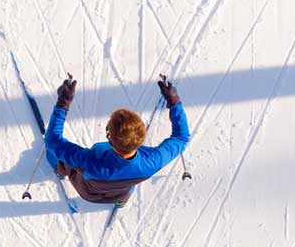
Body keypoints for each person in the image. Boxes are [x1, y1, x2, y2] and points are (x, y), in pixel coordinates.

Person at [44, 77, 190, 206]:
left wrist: (63, 103)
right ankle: (121, 201)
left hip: (88, 193)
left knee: (60, 156)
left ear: (110, 137)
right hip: (121, 193)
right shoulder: (151, 162)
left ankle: (59, 170)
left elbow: (52, 139)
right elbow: (181, 138)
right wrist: (174, 101)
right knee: (126, 184)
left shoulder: (88, 161)